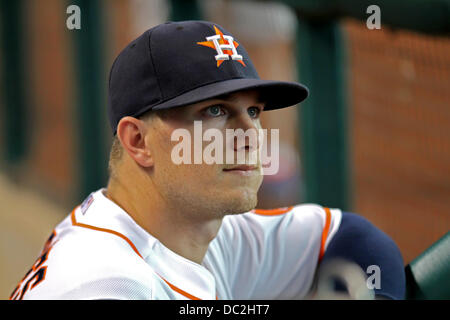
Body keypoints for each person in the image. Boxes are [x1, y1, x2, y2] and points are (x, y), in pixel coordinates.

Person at [10, 20, 405, 300]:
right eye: (215, 112)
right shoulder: (108, 285)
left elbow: (351, 238)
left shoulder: (197, 231)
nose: (251, 135)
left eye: (253, 112)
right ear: (138, 141)